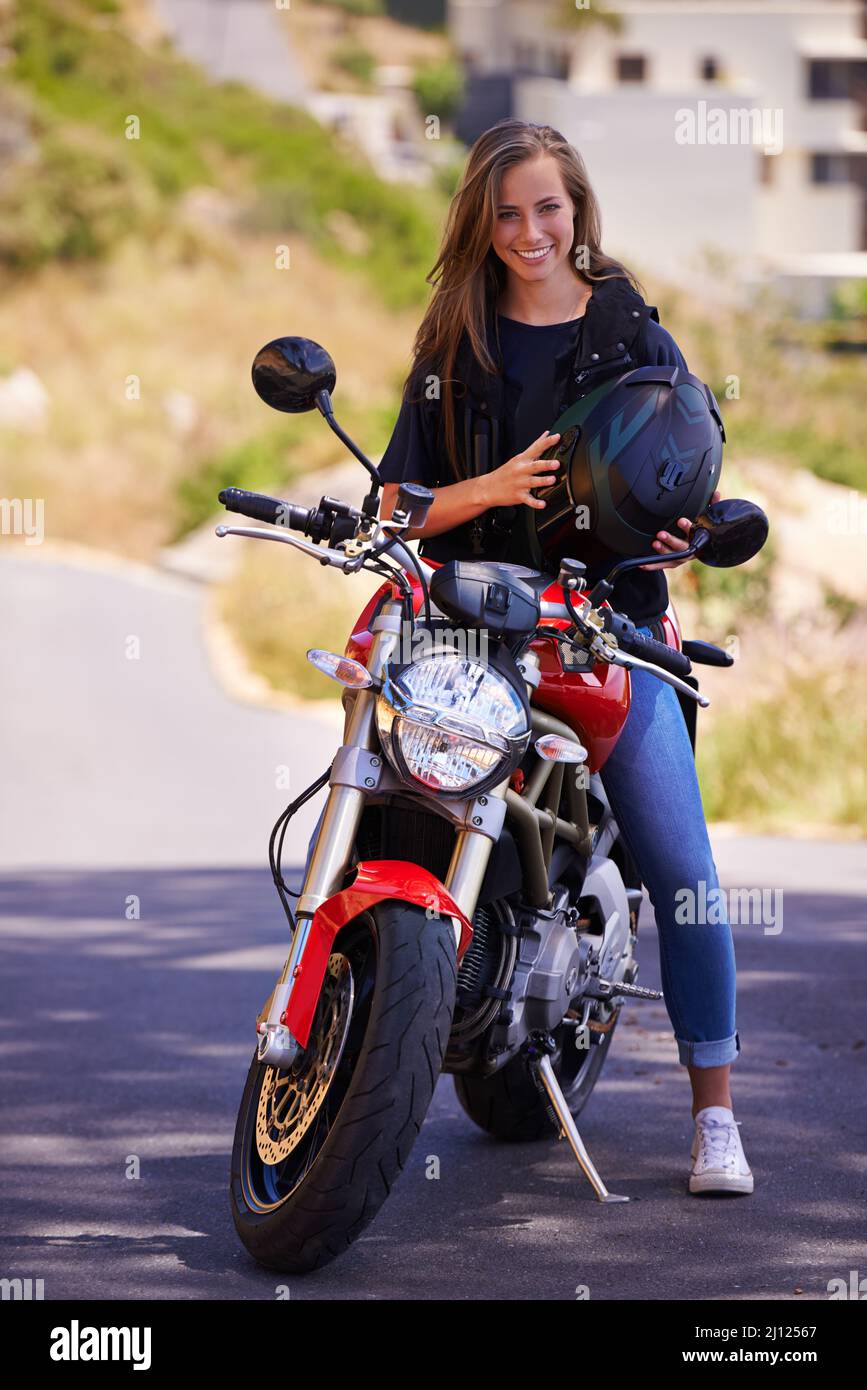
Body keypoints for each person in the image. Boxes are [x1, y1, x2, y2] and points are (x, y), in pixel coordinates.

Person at [377, 119, 753, 1196]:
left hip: (606, 626)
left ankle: (716, 1118)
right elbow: (402, 502)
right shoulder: (458, 344)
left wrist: (693, 524)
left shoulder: (633, 329)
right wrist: (487, 492)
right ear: (480, 225)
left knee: (684, 876)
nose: (530, 231)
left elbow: (689, 462)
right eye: (506, 214)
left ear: (578, 209)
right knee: (389, 795)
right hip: (471, 623)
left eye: (549, 207)